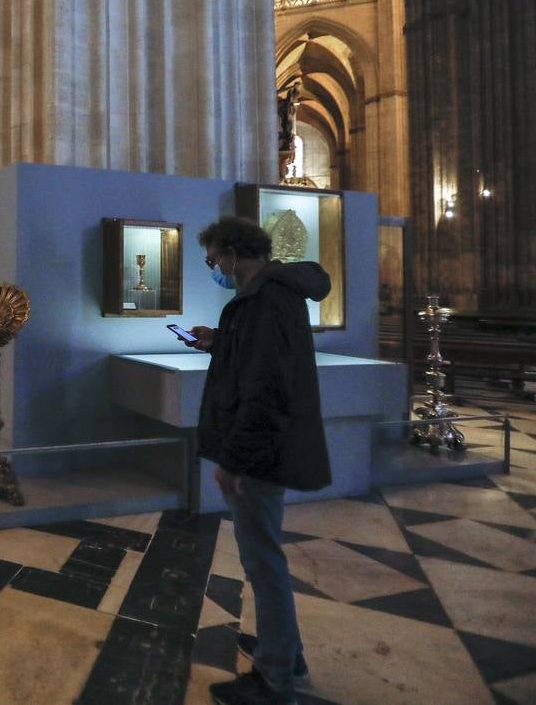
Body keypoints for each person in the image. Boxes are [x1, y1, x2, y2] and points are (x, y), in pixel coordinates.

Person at [184, 216, 331, 705]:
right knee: (262, 556)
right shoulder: (264, 296)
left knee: (263, 561)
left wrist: (235, 460)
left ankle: (274, 678)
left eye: (212, 261)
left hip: (260, 452)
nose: (214, 270)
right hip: (262, 447)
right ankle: (285, 652)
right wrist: (219, 342)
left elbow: (265, 389)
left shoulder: (267, 299)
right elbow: (257, 361)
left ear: (231, 253)